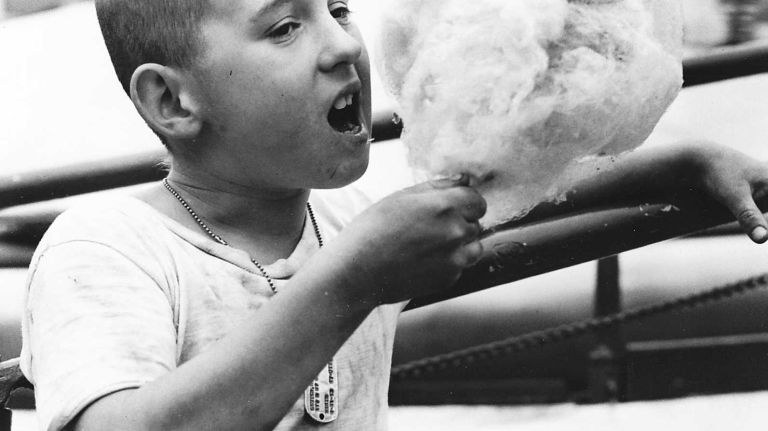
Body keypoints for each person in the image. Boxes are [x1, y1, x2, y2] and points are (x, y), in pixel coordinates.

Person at [18, 0, 768, 430]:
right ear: (171, 102)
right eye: (286, 26)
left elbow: (502, 197)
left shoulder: (342, 220)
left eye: (338, 8)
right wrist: (346, 283)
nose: (345, 42)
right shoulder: (106, 248)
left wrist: (684, 163)